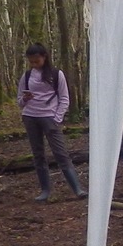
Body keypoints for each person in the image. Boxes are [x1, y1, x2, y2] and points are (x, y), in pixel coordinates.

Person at [17, 43, 85, 203]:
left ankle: (77, 189)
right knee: (38, 155)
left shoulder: (56, 74)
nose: (34, 64)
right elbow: (19, 101)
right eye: (31, 61)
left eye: (37, 61)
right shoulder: (26, 76)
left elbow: (64, 98)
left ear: (44, 57)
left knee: (61, 154)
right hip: (30, 117)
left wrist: (57, 118)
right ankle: (45, 190)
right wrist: (25, 99)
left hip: (50, 117)